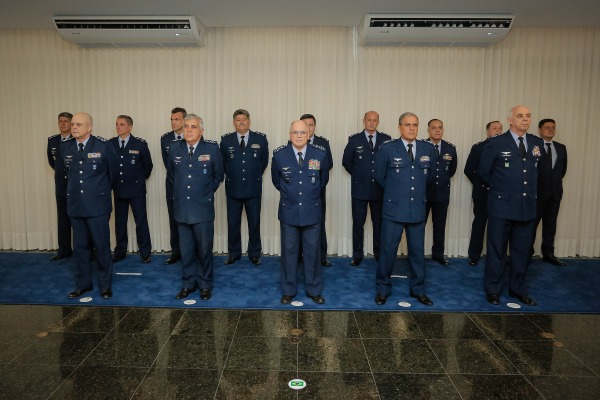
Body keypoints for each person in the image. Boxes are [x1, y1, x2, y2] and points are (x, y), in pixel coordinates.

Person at [478, 105, 544, 306]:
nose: (525, 119)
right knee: (497, 250)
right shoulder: (497, 143)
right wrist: (502, 191)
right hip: (501, 207)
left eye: (528, 116)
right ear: (510, 120)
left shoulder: (535, 143)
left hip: (526, 207)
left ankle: (518, 289)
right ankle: (493, 290)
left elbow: (537, 171)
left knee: (522, 251)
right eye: (520, 116)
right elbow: (483, 172)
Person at [374, 112, 437, 306]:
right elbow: (379, 176)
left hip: (417, 209)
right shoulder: (387, 149)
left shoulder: (428, 148)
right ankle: (383, 289)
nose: (412, 128)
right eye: (408, 125)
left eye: (415, 125)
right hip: (394, 209)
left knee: (418, 252)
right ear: (399, 127)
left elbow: (431, 176)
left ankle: (418, 289)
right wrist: (396, 194)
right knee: (387, 251)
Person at [57, 112, 118, 299]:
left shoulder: (103, 146)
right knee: (80, 247)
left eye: (78, 124)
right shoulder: (65, 147)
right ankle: (83, 284)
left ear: (89, 127)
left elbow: (113, 175)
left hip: (98, 206)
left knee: (101, 247)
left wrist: (99, 193)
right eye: (73, 124)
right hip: (75, 205)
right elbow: (62, 175)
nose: (74, 127)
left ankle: (105, 286)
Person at [271, 120, 330, 304]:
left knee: (312, 253)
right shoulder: (280, 155)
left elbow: (323, 181)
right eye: (295, 132)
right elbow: (276, 181)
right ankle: (288, 290)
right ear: (289, 135)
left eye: (302, 132)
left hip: (312, 212)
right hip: (289, 212)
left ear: (308, 134)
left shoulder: (319, 154)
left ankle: (314, 289)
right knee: (289, 252)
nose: (298, 136)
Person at [167, 113, 224, 301]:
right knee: (186, 251)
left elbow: (218, 176)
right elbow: (172, 175)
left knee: (204, 250)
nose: (189, 130)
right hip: (182, 209)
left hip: (203, 209)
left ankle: (205, 284)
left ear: (201, 131)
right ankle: (188, 284)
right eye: (186, 127)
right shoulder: (174, 148)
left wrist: (206, 193)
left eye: (193, 127)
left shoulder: (212, 149)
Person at [220, 109, 269, 265]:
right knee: (233, 223)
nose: (241, 122)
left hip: (253, 188)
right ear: (233, 122)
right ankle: (234, 253)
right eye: (238, 119)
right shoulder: (226, 141)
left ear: (249, 121)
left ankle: (254, 253)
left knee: (254, 223)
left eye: (244, 119)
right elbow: (223, 163)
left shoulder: (260, 139)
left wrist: (252, 176)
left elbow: (264, 162)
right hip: (233, 188)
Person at [341, 111, 391, 266]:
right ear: (364, 121)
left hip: (379, 190)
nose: (371, 122)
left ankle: (379, 253)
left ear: (378, 122)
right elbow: (346, 162)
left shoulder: (386, 140)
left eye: (374, 120)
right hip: (360, 189)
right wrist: (358, 176)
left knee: (379, 224)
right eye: (369, 119)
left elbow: (389, 163)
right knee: (358, 223)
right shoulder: (354, 139)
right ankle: (357, 254)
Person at [109, 115, 153, 264]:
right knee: (120, 222)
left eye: (121, 124)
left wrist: (139, 180)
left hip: (136, 190)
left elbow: (148, 166)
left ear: (130, 127)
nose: (118, 127)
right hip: (119, 189)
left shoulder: (139, 144)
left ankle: (145, 252)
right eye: (117, 124)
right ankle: (120, 251)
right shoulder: (110, 144)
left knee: (141, 221)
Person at [464, 121, 503, 266]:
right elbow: (469, 169)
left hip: (502, 195)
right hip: (483, 194)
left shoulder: (507, 146)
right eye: (494, 128)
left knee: (499, 227)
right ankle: (474, 255)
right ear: (487, 132)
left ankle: (497, 257)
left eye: (500, 128)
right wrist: (480, 184)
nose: (498, 130)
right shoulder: (479, 147)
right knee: (479, 224)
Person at [532, 119, 568, 266]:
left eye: (553, 127)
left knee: (550, 226)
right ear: (540, 130)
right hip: (537, 194)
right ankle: (526, 253)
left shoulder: (561, 148)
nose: (550, 130)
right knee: (531, 226)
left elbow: (562, 171)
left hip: (555, 194)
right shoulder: (534, 146)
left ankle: (548, 254)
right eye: (547, 127)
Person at [300, 114, 333, 266]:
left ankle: (321, 257)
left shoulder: (323, 143)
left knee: (318, 223)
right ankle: (300, 256)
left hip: (317, 192)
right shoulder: (293, 142)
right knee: (298, 224)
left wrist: (318, 185)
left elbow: (328, 165)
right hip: (298, 193)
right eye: (305, 124)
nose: (308, 127)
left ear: (314, 126)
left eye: (311, 125)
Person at [424, 119, 457, 266]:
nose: (437, 130)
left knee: (440, 226)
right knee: (418, 227)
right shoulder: (422, 146)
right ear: (428, 130)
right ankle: (417, 255)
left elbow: (451, 170)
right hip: (423, 194)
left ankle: (438, 254)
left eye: (440, 128)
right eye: (434, 128)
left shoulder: (450, 148)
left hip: (442, 194)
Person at [161, 107, 187, 265]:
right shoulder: (165, 139)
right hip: (172, 184)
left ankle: (192, 252)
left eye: (176, 119)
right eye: (171, 119)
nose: (173, 122)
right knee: (174, 219)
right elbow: (168, 164)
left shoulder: (192, 135)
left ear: (184, 120)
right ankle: (176, 251)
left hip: (191, 185)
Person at [47, 112, 73, 261]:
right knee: (62, 219)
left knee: (78, 219)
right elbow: (53, 163)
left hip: (75, 185)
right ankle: (64, 249)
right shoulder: (52, 141)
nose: (63, 124)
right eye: (60, 121)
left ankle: (84, 250)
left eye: (66, 121)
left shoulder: (76, 139)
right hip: (61, 186)